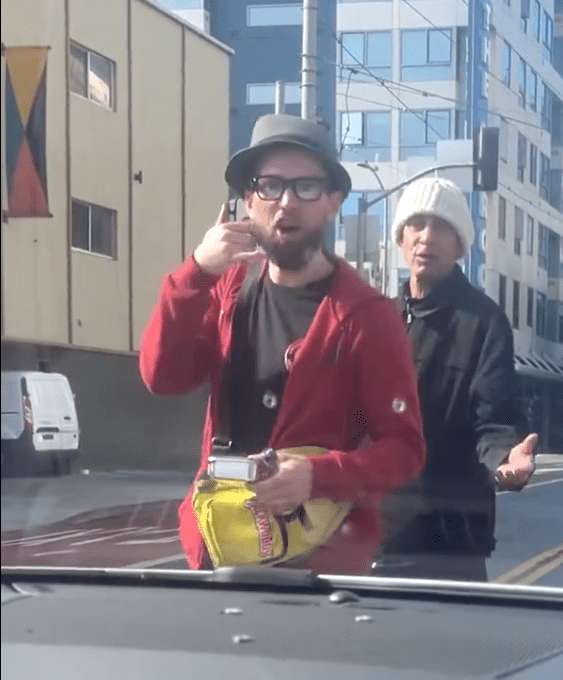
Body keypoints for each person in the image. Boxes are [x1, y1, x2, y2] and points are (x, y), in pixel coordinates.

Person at [139, 114, 426, 574]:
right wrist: (194, 273)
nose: (286, 203)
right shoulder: (228, 289)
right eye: (270, 186)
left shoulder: (368, 317)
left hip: (314, 563)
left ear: (333, 202)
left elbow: (405, 450)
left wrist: (317, 476)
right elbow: (162, 377)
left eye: (306, 187)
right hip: (220, 547)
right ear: (248, 200)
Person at [374, 177, 539, 582]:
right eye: (416, 224)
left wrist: (505, 459)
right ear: (400, 238)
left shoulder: (484, 322)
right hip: (376, 535)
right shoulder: (376, 320)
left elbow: (495, 417)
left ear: (461, 245)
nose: (426, 237)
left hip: (451, 543)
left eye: (441, 227)